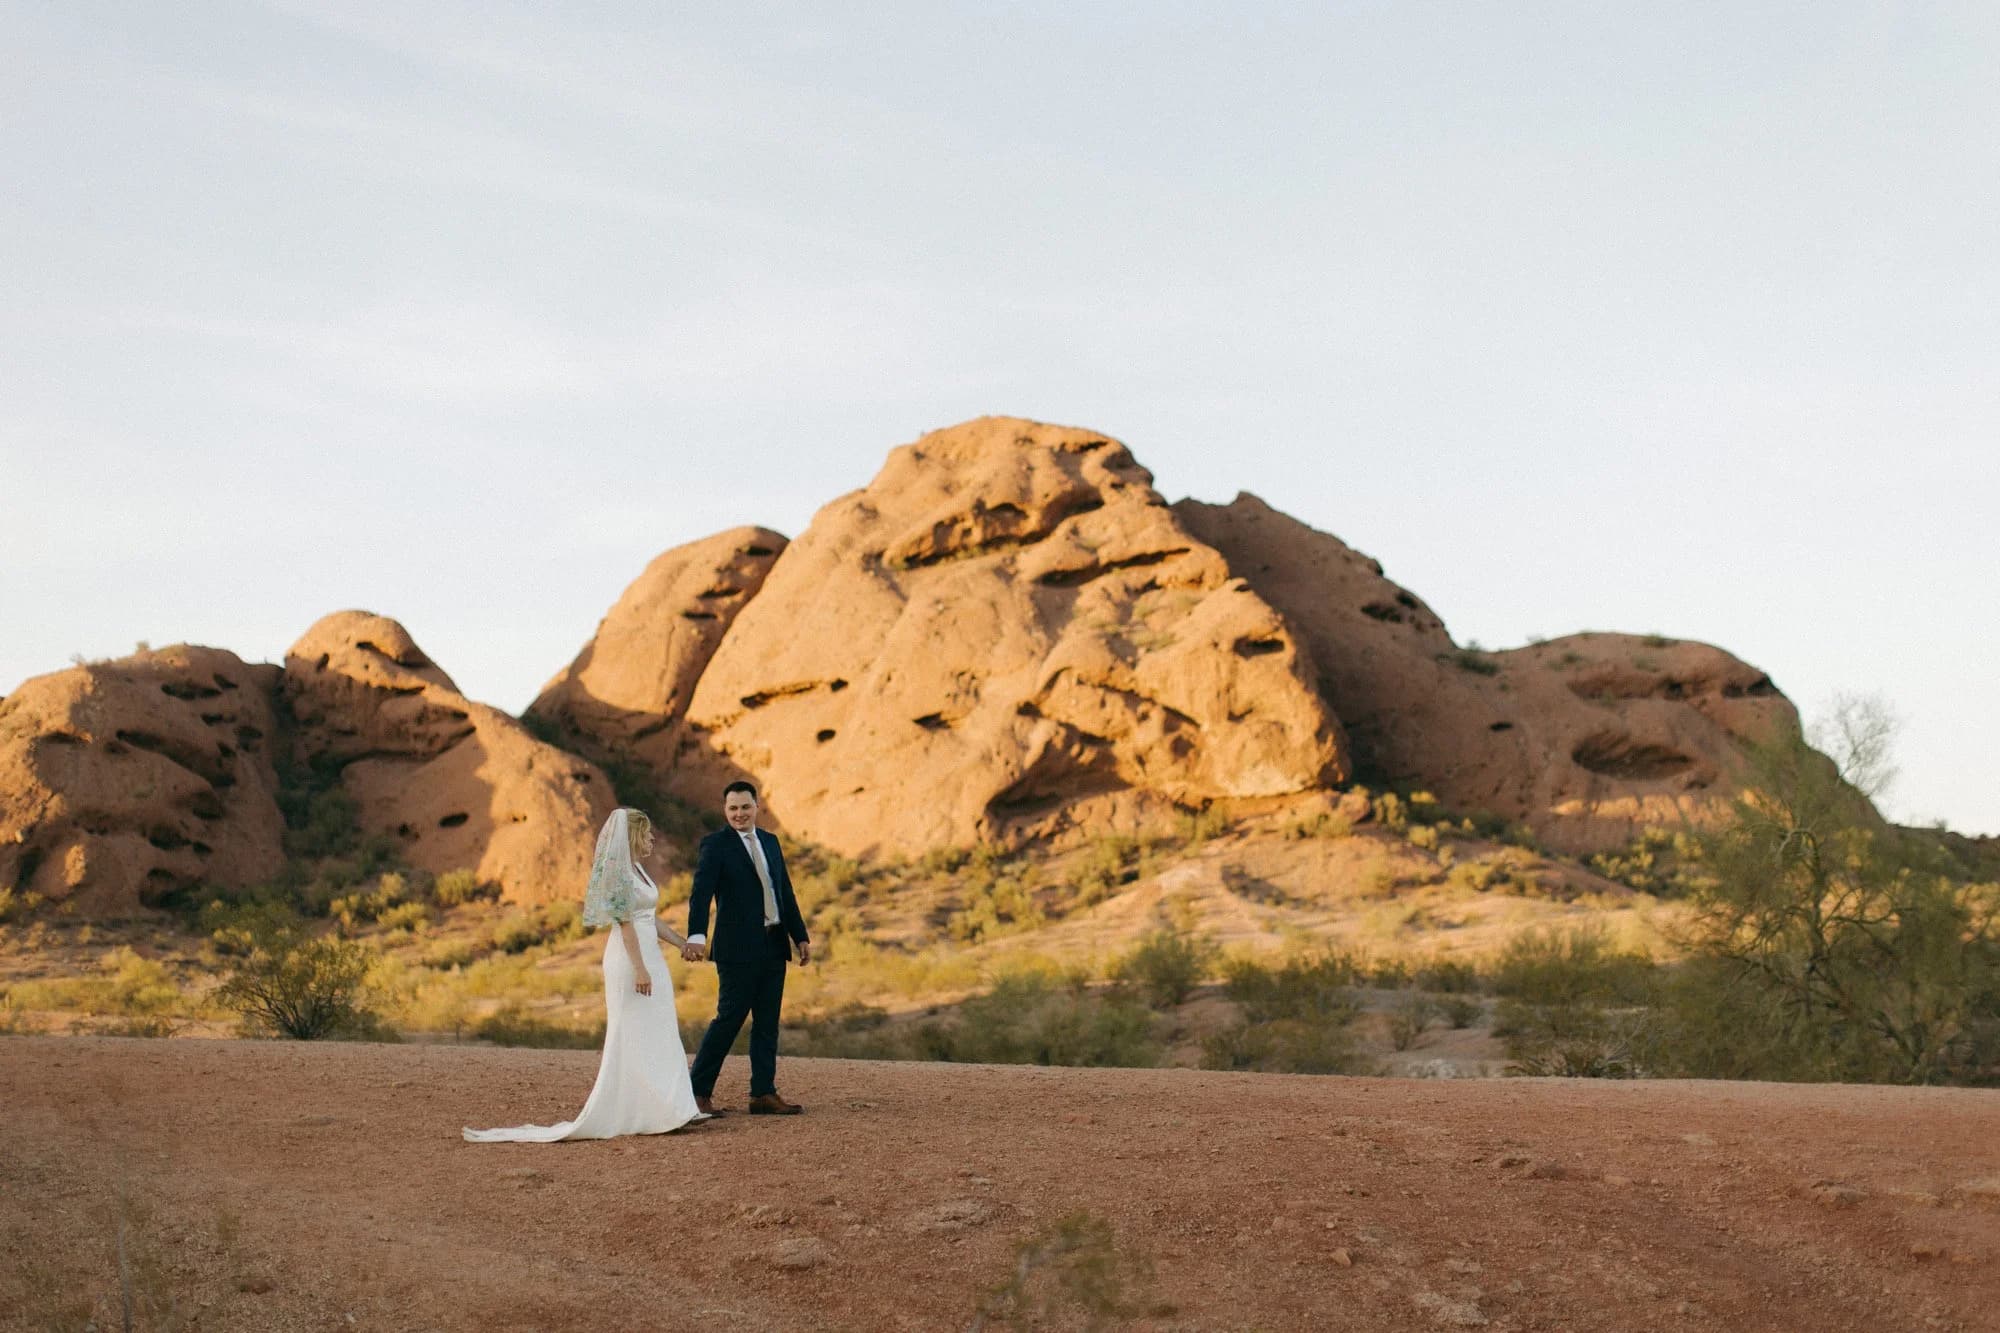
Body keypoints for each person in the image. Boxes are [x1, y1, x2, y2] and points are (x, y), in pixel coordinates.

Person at [462, 808, 707, 1142]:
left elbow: (649, 918)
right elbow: (626, 925)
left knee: (660, 1027)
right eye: (648, 834)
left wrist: (682, 944)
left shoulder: (639, 871)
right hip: (630, 959)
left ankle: (674, 1108)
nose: (652, 839)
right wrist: (639, 969)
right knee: (631, 1031)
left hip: (650, 957)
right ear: (634, 835)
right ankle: (652, 1111)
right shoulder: (619, 875)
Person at [682, 780, 811, 1116]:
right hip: (736, 948)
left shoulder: (770, 842)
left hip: (773, 942)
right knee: (729, 1018)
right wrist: (697, 935)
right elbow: (701, 894)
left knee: (767, 1022)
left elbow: (785, 891)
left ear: (757, 806)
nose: (739, 814)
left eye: (745, 807)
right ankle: (696, 1093)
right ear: (725, 811)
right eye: (732, 808)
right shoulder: (715, 845)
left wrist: (800, 936)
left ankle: (763, 1094)